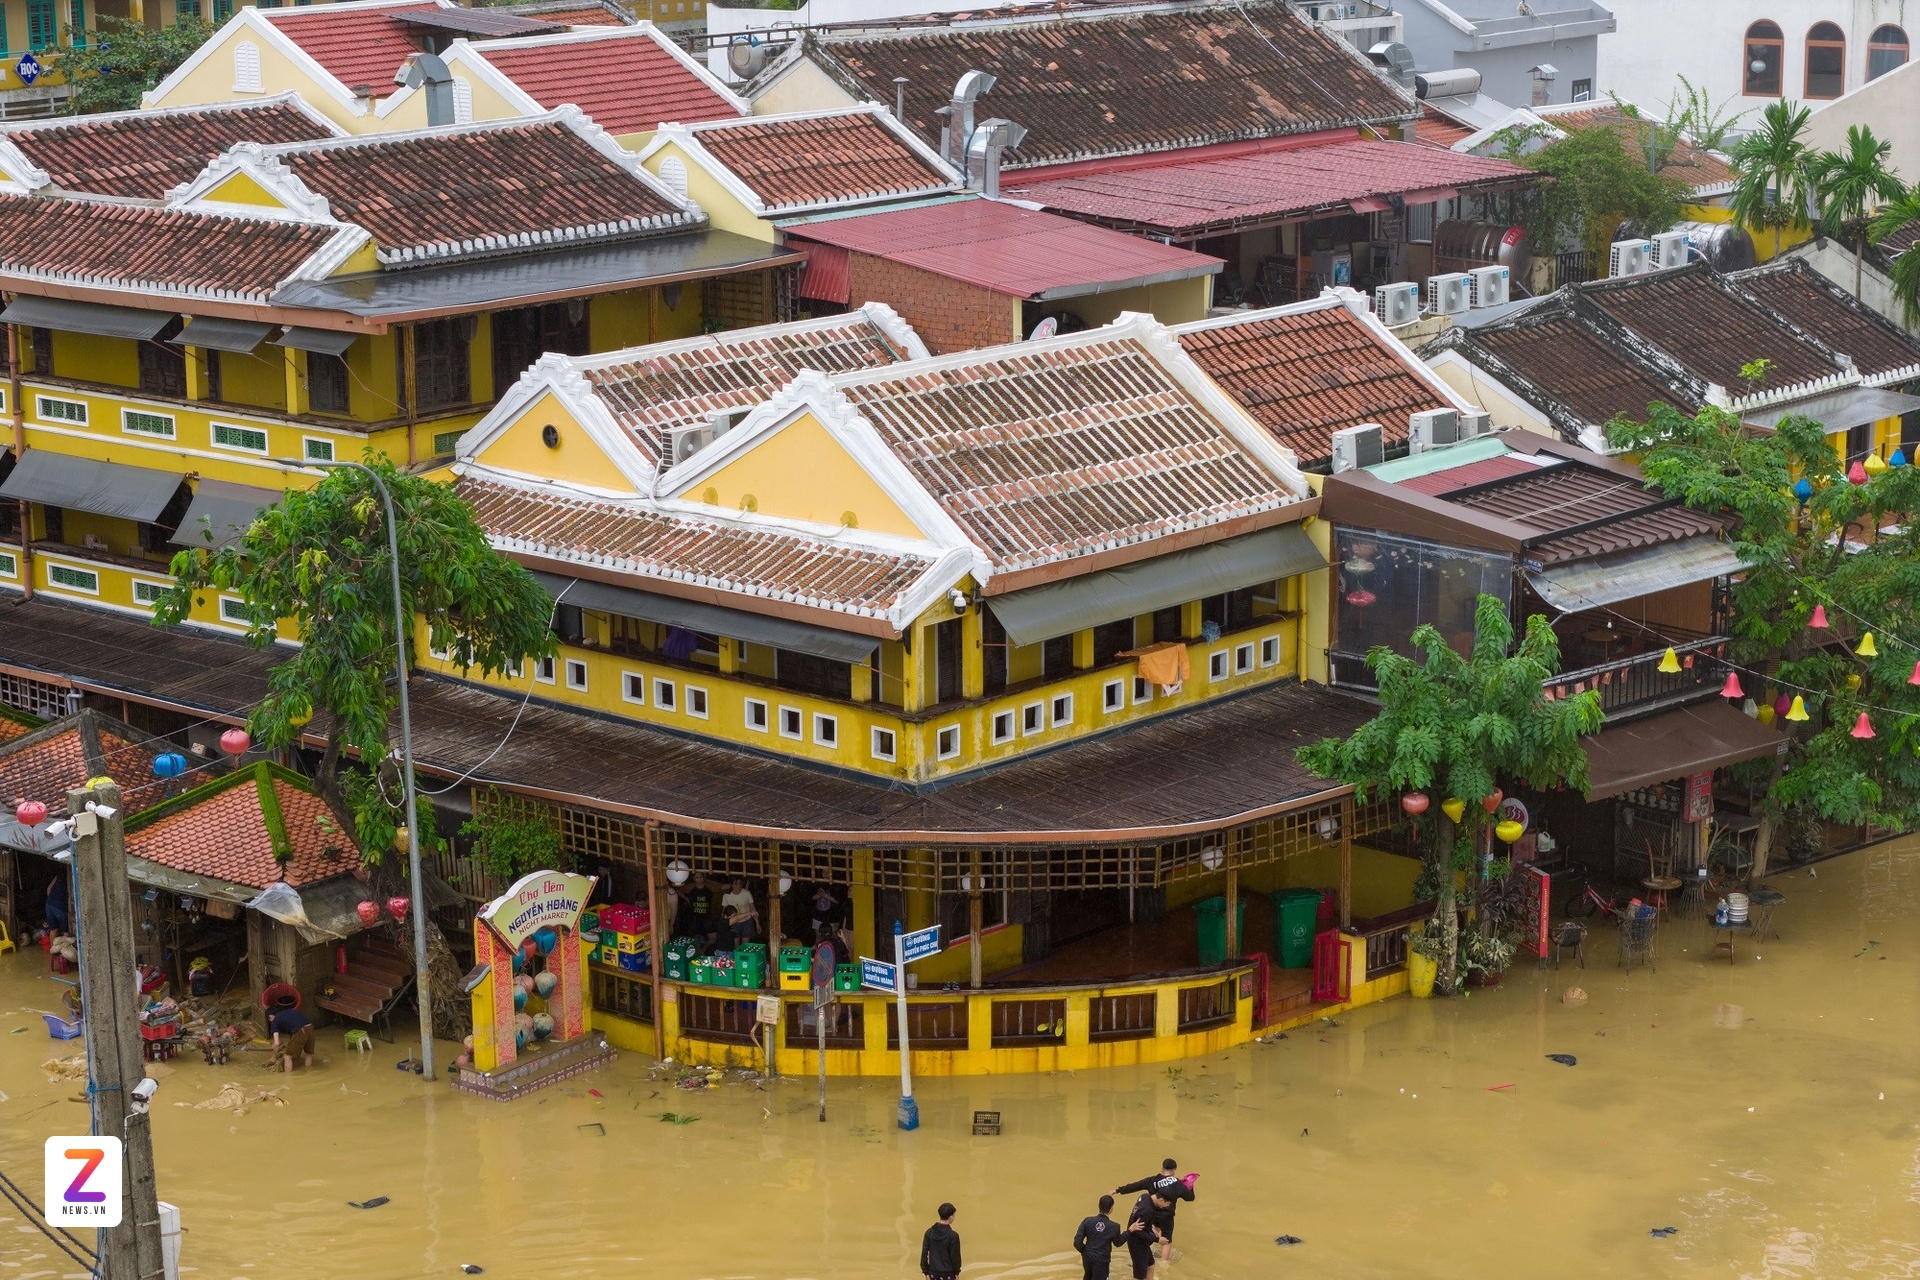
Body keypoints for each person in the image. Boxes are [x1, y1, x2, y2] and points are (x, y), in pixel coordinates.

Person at [1115, 1159, 1194, 1256]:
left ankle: (1145, 1253)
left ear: (1162, 1168)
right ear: (1174, 1170)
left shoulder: (1152, 1180)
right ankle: (1164, 1266)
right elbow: (1190, 1198)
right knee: (1167, 1242)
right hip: (1167, 1216)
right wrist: (1189, 1185)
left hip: (1152, 1213)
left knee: (1152, 1231)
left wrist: (1118, 1190)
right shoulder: (1178, 1183)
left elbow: (1135, 1186)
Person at [1123, 1193, 1173, 1280]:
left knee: (1150, 1264)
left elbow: (1141, 1223)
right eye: (1166, 1204)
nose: (1165, 1206)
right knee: (1140, 1276)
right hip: (1137, 1243)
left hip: (1143, 1242)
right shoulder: (1147, 1210)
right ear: (1161, 1200)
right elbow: (1137, 1232)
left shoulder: (1144, 1197)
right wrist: (1157, 1239)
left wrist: (1150, 1228)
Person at [1074, 1194, 1120, 1280]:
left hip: (1087, 1259)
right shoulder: (1114, 1226)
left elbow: (1077, 1242)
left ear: (1099, 1206)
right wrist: (1129, 1231)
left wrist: (1086, 1252)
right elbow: (1118, 1243)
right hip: (1102, 1262)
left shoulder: (1087, 1221)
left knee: (1087, 1277)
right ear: (1111, 1209)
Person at [268, 999, 314, 1074]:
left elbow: (276, 1043)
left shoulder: (275, 1021)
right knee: (308, 1053)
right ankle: (309, 1074)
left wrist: (273, 1057)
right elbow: (293, 1033)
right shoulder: (288, 1013)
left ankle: (288, 1081)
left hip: (300, 1030)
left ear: (270, 1017)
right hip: (310, 1027)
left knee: (287, 1057)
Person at [920, 1202, 961, 1280]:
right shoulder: (953, 1236)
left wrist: (925, 1272)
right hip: (948, 1274)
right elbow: (955, 1258)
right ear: (950, 1217)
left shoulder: (929, 1232)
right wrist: (956, 1273)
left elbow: (924, 1254)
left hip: (933, 1273)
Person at [722, 877, 759, 942]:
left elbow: (753, 909)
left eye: (740, 884)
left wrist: (757, 923)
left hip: (746, 921)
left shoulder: (747, 893)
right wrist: (723, 924)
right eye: (736, 884)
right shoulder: (726, 895)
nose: (738, 886)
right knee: (735, 944)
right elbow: (724, 911)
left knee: (746, 944)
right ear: (731, 885)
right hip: (734, 922)